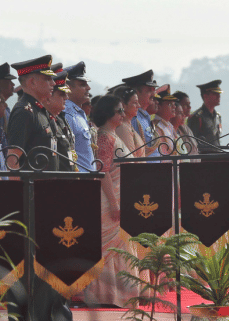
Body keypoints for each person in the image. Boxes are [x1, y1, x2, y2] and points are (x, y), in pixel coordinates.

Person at [6, 56, 71, 320]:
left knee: (48, 259)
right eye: (46, 78)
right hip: (31, 198)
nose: (52, 82)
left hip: (49, 198)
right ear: (31, 82)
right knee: (30, 263)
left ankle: (47, 310)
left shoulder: (42, 111)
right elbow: (13, 161)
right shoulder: (24, 112)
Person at [82, 94, 139, 307]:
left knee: (122, 244)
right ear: (108, 114)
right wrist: (114, 203)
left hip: (120, 197)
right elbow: (102, 171)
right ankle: (104, 295)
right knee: (110, 247)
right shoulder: (104, 137)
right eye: (119, 111)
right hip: (109, 199)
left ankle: (121, 295)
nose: (123, 115)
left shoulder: (115, 135)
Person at [62, 61, 94, 171]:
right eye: (83, 85)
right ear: (68, 87)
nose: (88, 88)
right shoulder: (67, 113)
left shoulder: (78, 112)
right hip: (78, 180)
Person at [122, 70, 160, 157]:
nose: (153, 94)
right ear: (136, 92)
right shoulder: (133, 117)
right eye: (149, 91)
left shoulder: (145, 116)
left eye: (153, 90)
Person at [45, 71, 77, 171]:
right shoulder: (46, 120)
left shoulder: (60, 120)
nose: (66, 97)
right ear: (49, 97)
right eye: (62, 94)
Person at [189, 80, 223, 149]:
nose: (219, 96)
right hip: (204, 158)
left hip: (217, 156)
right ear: (205, 96)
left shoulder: (217, 116)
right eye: (215, 94)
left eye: (219, 94)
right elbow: (191, 142)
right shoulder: (197, 117)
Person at [112, 86, 144, 158]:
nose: (139, 106)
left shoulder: (127, 125)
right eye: (135, 103)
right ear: (123, 105)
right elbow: (130, 160)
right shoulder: (123, 127)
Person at [152, 84, 179, 155]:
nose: (174, 107)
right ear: (159, 106)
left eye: (174, 104)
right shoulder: (156, 126)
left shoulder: (169, 125)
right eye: (170, 104)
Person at [172, 90, 198, 154]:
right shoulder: (172, 128)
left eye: (189, 104)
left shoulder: (186, 128)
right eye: (185, 105)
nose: (189, 107)